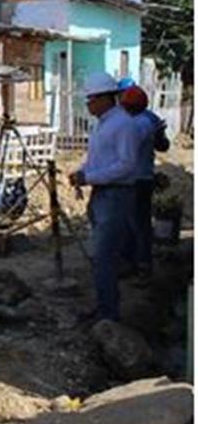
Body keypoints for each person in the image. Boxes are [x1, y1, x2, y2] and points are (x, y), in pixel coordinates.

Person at [68, 72, 140, 322]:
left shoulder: (123, 124)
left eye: (90, 99)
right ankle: (103, 308)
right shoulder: (104, 124)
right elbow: (99, 160)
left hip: (117, 195)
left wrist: (90, 177)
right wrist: (84, 172)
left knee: (105, 256)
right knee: (100, 256)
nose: (87, 105)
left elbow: (126, 165)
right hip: (102, 194)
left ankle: (109, 314)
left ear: (104, 98)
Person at [119, 84, 170, 278]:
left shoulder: (133, 124)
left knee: (134, 224)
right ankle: (139, 264)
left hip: (133, 180)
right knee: (139, 223)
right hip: (144, 177)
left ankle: (139, 266)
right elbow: (163, 145)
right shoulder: (150, 119)